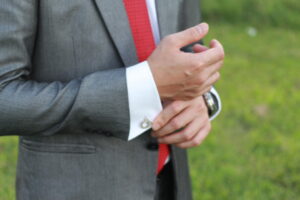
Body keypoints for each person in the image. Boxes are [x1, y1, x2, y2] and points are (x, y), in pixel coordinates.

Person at [0, 0, 224, 199]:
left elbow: (189, 49)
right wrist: (138, 88)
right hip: (76, 187)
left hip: (171, 182)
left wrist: (204, 97)